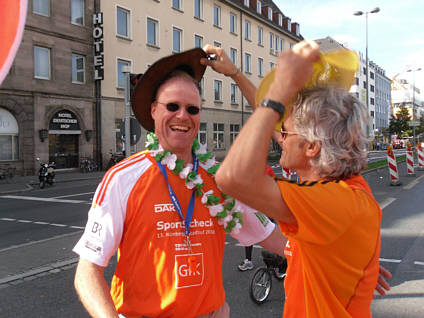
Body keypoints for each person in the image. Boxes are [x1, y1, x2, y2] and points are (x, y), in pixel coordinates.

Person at [72, 48, 284, 318]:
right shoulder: (123, 178)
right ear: (153, 111)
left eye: (192, 109)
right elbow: (87, 271)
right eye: (172, 106)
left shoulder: (221, 181)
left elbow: (279, 242)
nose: (182, 116)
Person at [215, 40, 386, 317]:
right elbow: (268, 122)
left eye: (285, 132)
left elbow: (233, 177)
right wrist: (235, 73)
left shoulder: (332, 203)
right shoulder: (341, 194)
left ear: (311, 147)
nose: (278, 137)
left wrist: (282, 88)